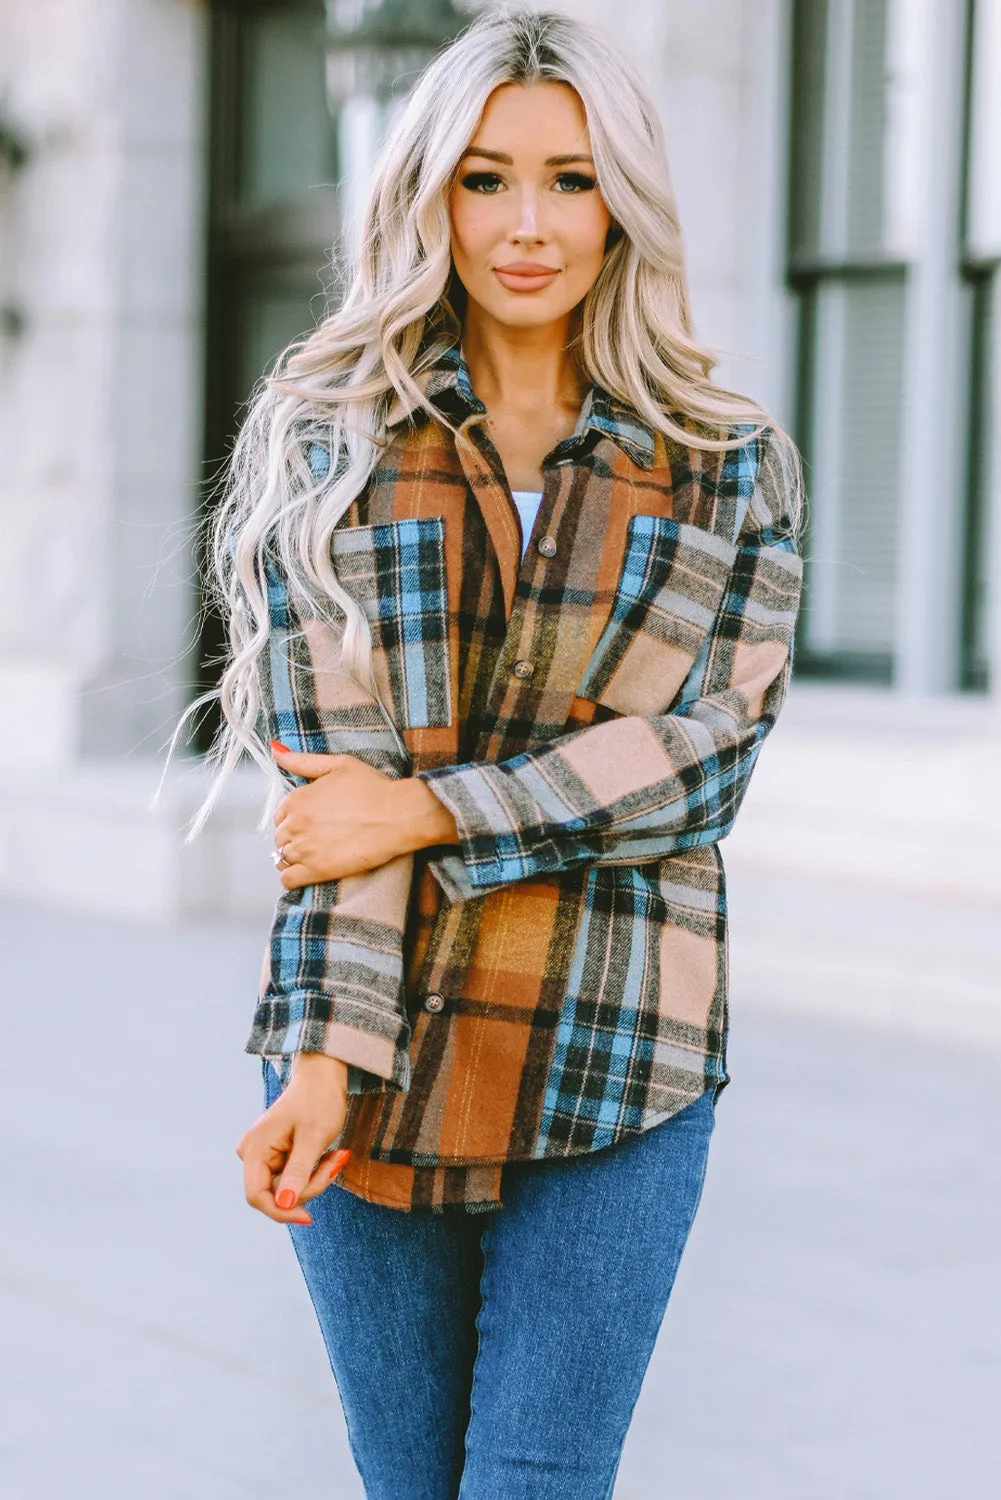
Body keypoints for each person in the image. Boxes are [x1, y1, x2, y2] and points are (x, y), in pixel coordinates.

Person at [193, 10, 803, 1497]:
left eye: (571, 180)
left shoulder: (728, 460)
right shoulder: (325, 434)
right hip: (373, 1042)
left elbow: (701, 765)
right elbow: (329, 796)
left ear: (625, 203)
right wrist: (329, 1062)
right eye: (484, 179)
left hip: (619, 1045)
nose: (527, 225)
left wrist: (425, 809)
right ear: (427, 196)